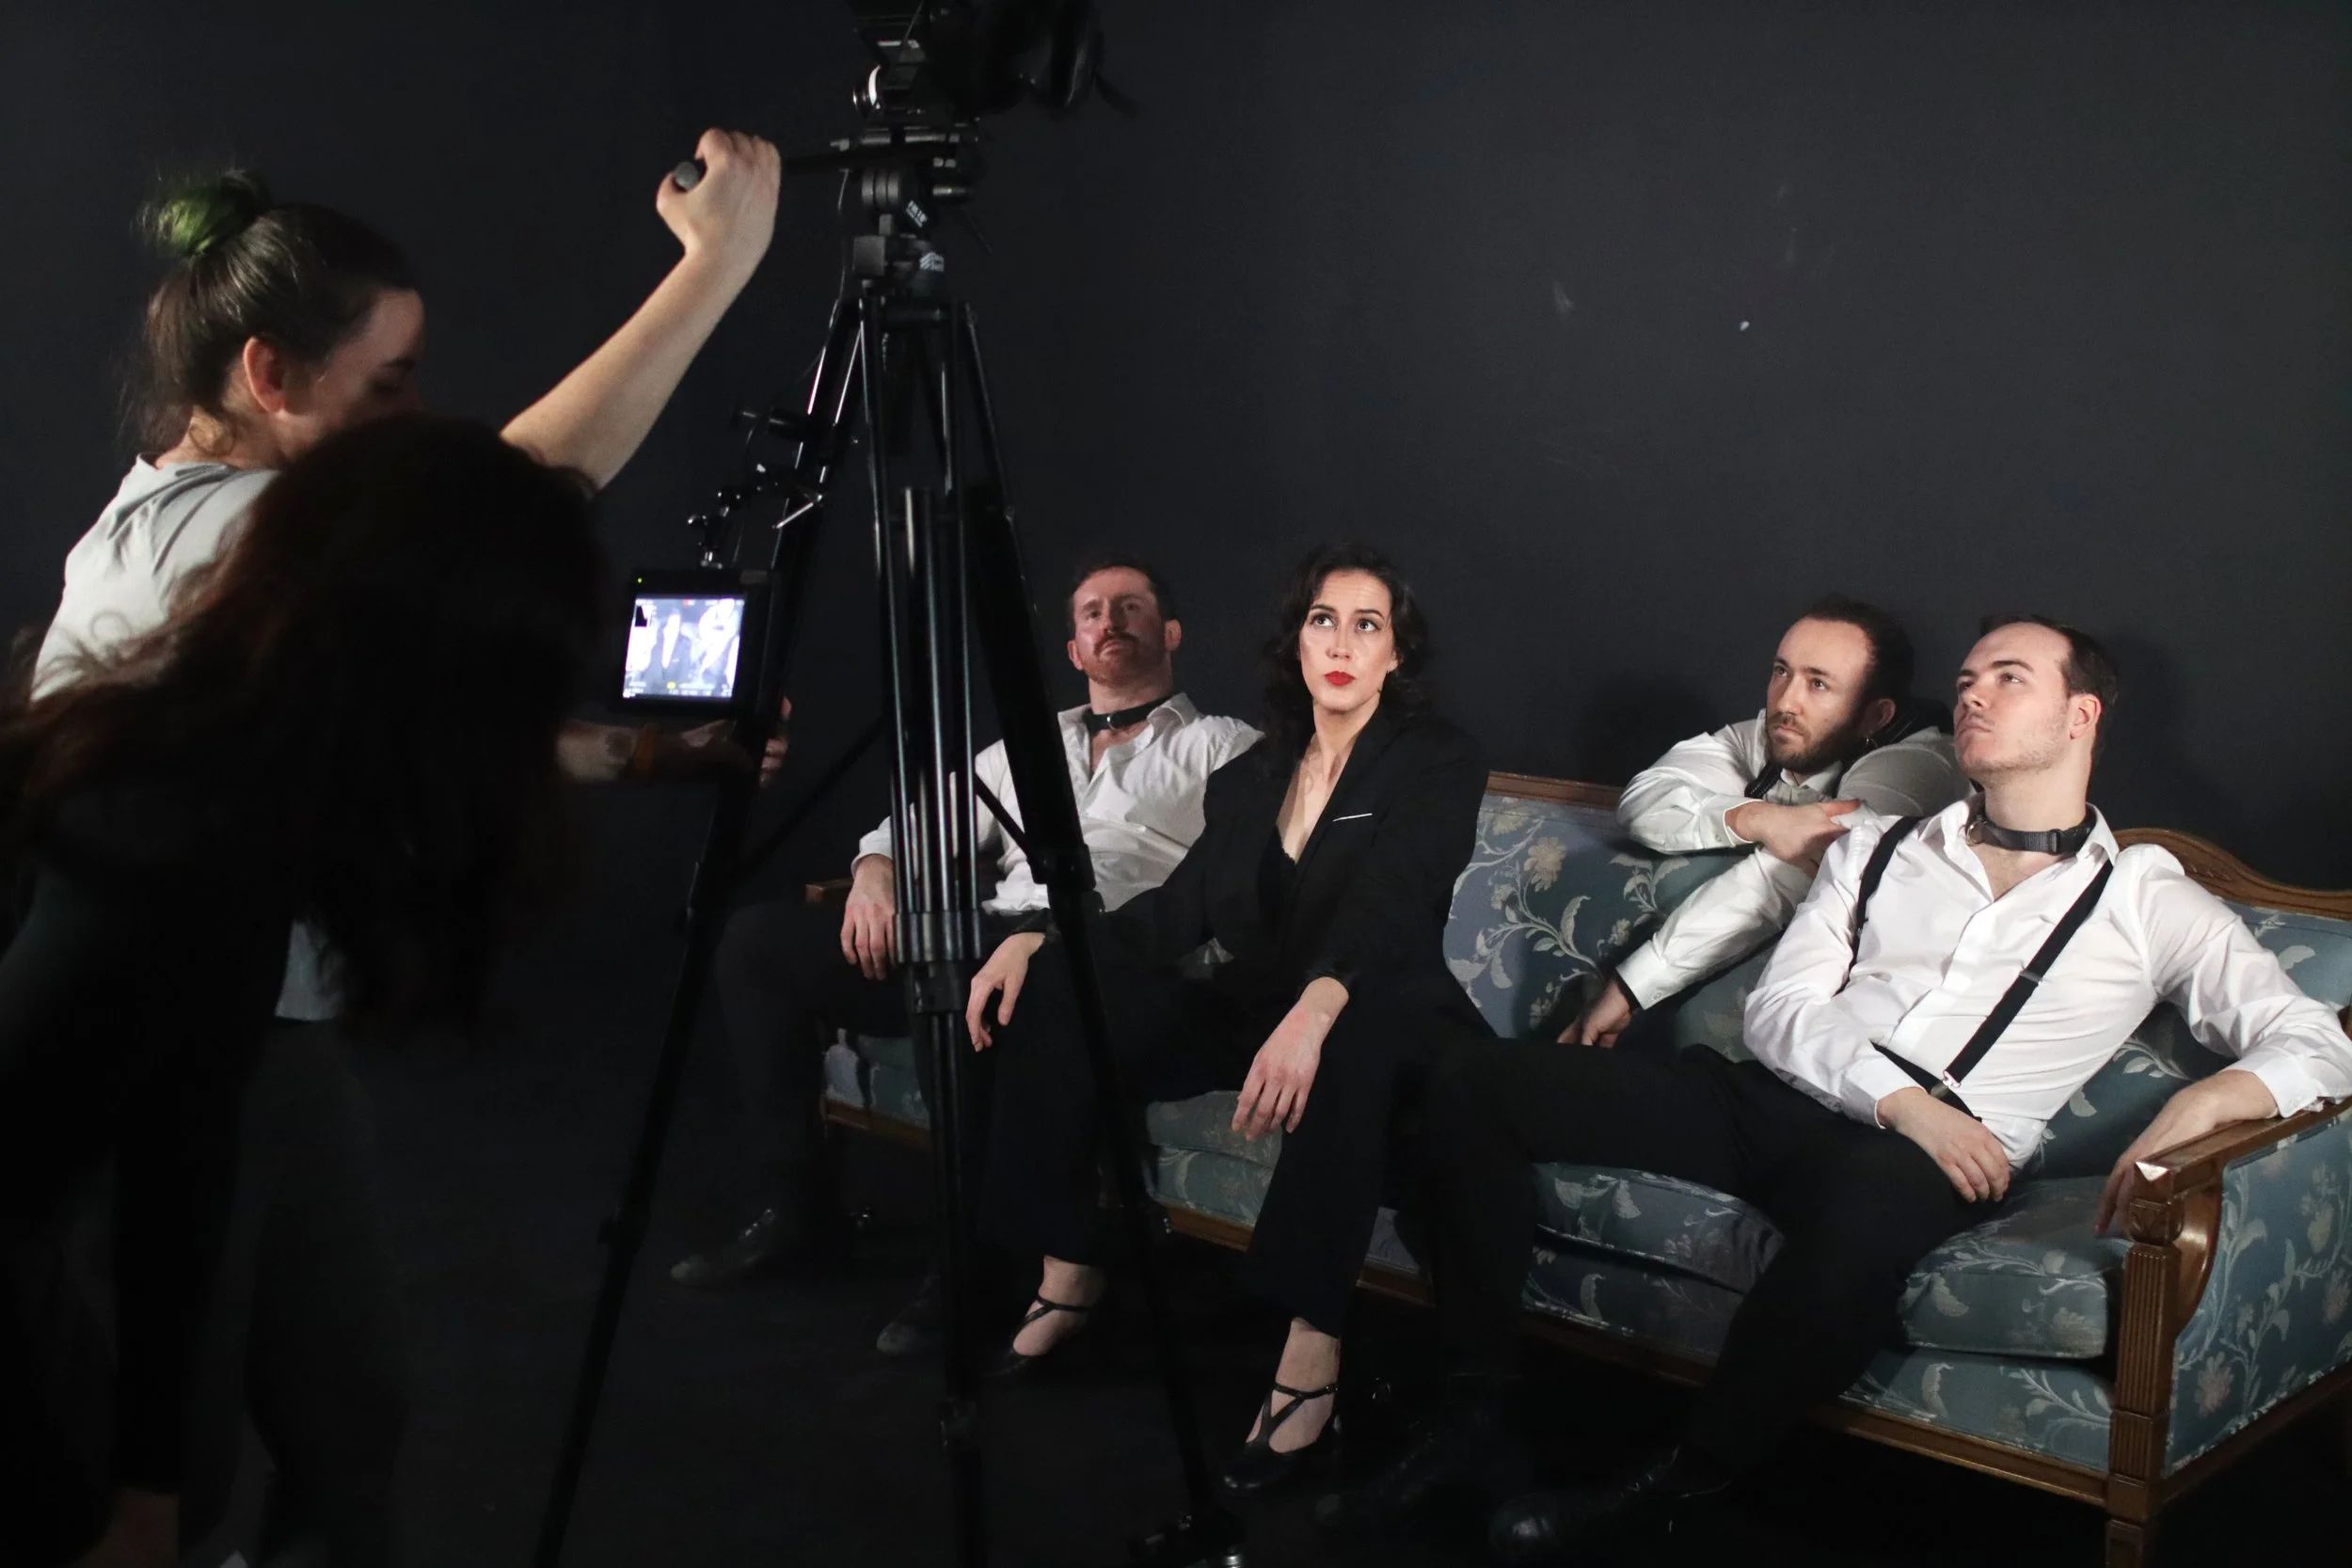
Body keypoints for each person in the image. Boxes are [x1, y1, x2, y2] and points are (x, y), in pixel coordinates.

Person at [1322, 616, 2352, 1561]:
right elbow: (1780, 1010)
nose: (1974, 693)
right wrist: (1898, 1099)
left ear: (2080, 716)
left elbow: (2317, 1040)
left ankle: (1681, 1479)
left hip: (1927, 1161)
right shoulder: (1879, 843)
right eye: (1967, 677)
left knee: (1860, 1219)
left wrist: (2204, 1102)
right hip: (1781, 1099)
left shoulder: (2146, 896)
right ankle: (1470, 1408)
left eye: (2008, 677)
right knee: (1473, 1079)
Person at [0, 416, 605, 1568]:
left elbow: (185, 1141)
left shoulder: (227, 814)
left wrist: (142, 1488)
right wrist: (89, 1492)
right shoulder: (156, 828)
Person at [962, 543, 1492, 1497]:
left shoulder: (1435, 759)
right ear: (1297, 641)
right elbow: (1176, 912)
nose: (1341, 644)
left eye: (1366, 625)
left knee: (1346, 1049)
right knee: (1061, 992)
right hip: (1261, 1005)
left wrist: (1316, 1008)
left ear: (1396, 653)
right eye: (1322, 621)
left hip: (1387, 1009)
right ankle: (1070, 1259)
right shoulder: (1255, 771)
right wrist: (1044, 940)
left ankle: (1310, 1350)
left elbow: (1395, 904)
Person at [33, 136, 782, 800]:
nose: (417, 414)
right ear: (272, 375)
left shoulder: (219, 547)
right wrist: (716, 263)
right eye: (387, 384)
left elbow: (402, 729)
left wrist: (648, 753)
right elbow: (503, 494)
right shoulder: (212, 533)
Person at [669, 559, 1258, 1348]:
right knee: (757, 941)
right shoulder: (1024, 746)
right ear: (1074, 649)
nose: (1109, 620)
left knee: (958, 971)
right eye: (1091, 611)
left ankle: (972, 1269)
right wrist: (875, 873)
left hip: (1097, 954)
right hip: (985, 930)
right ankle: (798, 1211)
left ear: (1172, 632)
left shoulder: (1225, 745)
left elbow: (1233, 884)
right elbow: (910, 829)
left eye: (1131, 606)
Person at [1561, 594, 1966, 1045]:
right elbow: (1645, 800)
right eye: (1781, 672)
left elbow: (1777, 882)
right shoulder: (1770, 736)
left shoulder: (1917, 767)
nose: (1786, 701)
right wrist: (1761, 819)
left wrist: (1629, 987)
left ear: (1877, 715)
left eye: (1818, 684)